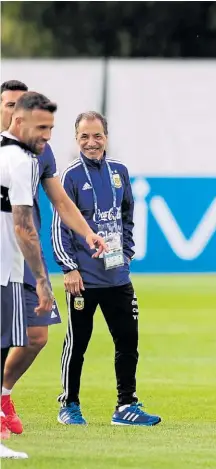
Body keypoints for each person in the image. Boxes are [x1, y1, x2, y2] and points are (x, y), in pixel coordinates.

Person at [1, 91, 105, 459]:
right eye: (9, 104)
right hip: (10, 259)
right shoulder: (12, 156)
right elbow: (21, 221)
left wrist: (87, 232)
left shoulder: (36, 154)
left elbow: (59, 200)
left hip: (23, 262)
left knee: (36, 336)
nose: (47, 137)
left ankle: (4, 397)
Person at [52, 111, 162, 426]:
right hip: (83, 280)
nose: (91, 142)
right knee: (77, 343)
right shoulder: (70, 176)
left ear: (106, 137)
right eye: (84, 136)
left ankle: (126, 406)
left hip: (117, 275)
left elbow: (127, 214)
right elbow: (59, 227)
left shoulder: (120, 172)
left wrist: (126, 253)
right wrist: (69, 268)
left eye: (97, 135)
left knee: (128, 340)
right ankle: (69, 405)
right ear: (76, 139)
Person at [1, 80, 60, 436]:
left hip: (10, 267)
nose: (48, 136)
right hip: (10, 268)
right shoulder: (20, 160)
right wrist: (42, 280)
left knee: (29, 338)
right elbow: (24, 226)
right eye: (42, 128)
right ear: (19, 121)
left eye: (51, 128)